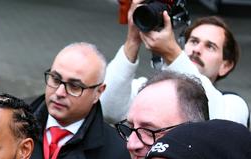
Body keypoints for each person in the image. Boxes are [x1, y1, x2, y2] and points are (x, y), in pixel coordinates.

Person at [101, 1, 248, 127]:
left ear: (226, 66)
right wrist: (133, 40)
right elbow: (108, 109)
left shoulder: (234, 104)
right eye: (194, 41)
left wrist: (172, 53)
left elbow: (208, 116)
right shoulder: (148, 89)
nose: (197, 49)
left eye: (210, 46)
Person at [28, 43, 128, 159]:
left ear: (98, 92)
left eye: (74, 87)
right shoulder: (13, 126)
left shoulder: (119, 154)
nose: (59, 92)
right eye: (55, 79)